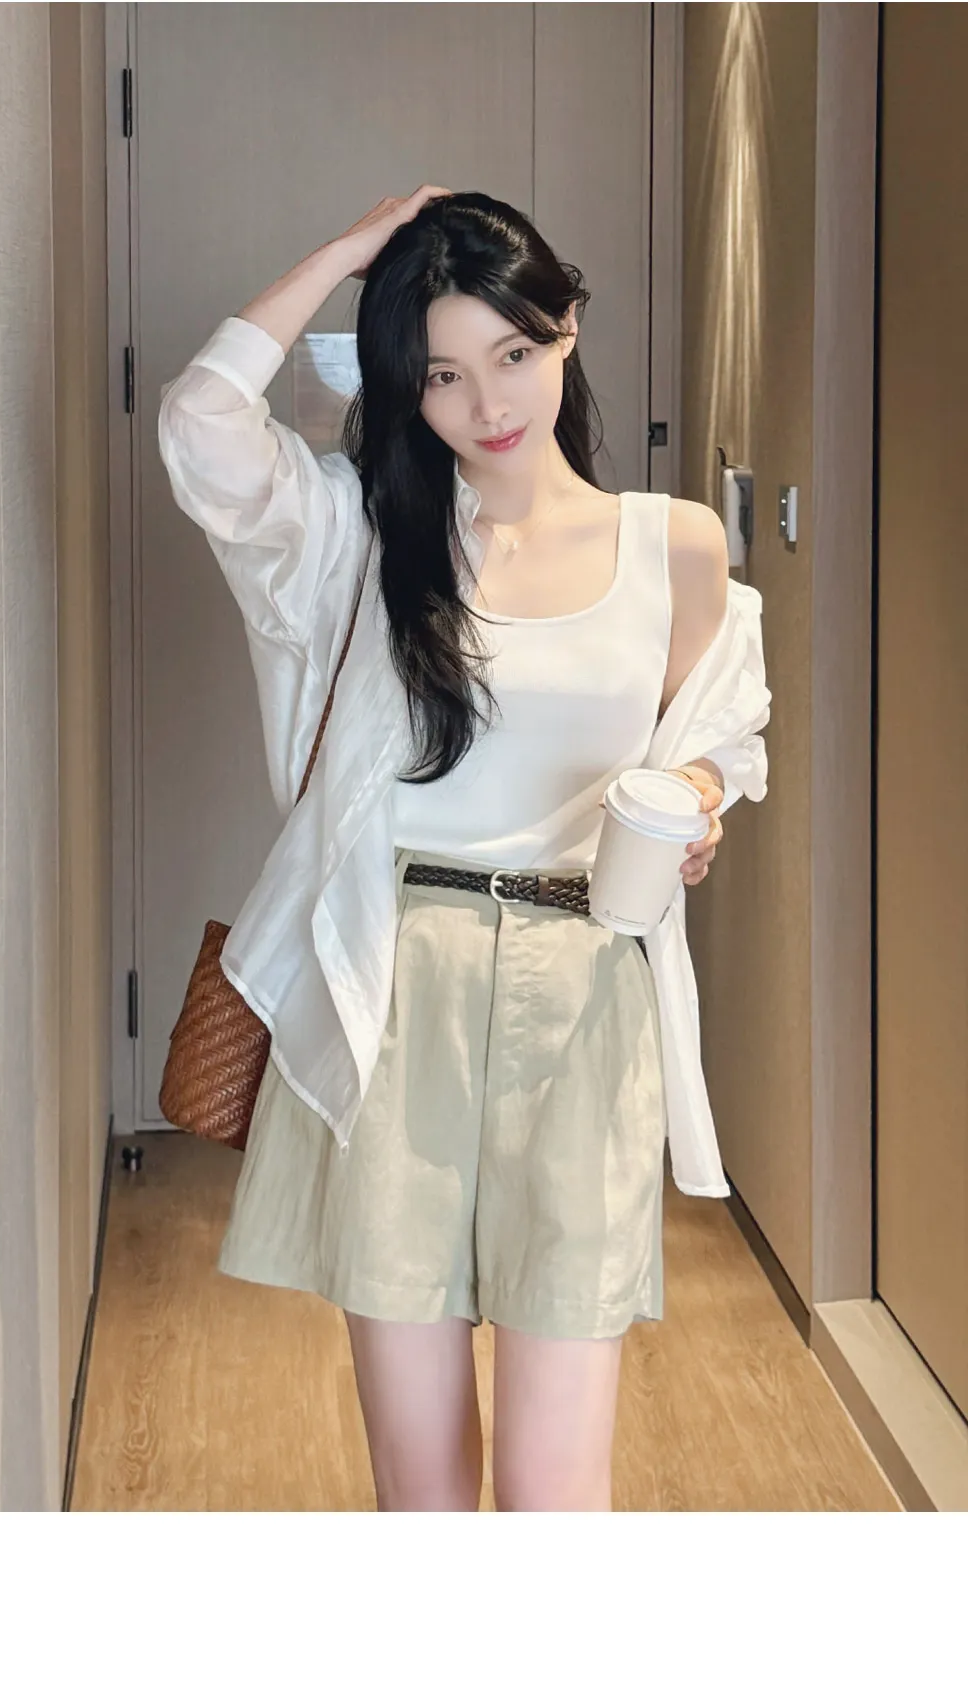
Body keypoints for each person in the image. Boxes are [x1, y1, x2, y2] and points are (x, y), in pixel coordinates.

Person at [157, 187, 771, 1512]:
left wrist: (699, 795)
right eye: (439, 374)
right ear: (404, 387)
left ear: (568, 327)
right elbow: (201, 425)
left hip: (583, 997)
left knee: (555, 1490)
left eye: (512, 351)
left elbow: (724, 731)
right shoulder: (358, 538)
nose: (488, 402)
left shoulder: (674, 544)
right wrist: (347, 253)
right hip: (400, 992)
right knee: (424, 1488)